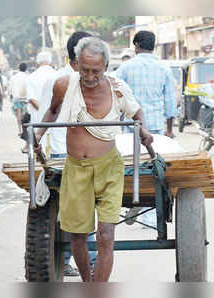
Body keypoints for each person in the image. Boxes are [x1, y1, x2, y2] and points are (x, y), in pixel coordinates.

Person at [35, 37, 153, 282]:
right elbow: (54, 111)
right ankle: (87, 284)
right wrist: (35, 135)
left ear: (106, 67)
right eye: (84, 69)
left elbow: (136, 111)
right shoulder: (64, 85)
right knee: (78, 235)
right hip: (76, 168)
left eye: (96, 71)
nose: (89, 76)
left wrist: (143, 129)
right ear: (76, 64)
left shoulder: (118, 88)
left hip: (109, 168)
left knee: (106, 234)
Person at [38, 31, 98, 277]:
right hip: (68, 155)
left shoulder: (100, 80)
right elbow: (47, 116)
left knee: (76, 209)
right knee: (79, 209)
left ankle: (71, 260)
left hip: (89, 155)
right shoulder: (60, 82)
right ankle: (88, 263)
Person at [116, 30, 178, 229]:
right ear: (154, 45)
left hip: (130, 126)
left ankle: (131, 200)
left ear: (136, 45)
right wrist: (169, 129)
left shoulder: (124, 68)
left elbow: (116, 97)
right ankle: (150, 214)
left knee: (130, 164)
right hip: (155, 128)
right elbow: (170, 103)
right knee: (154, 166)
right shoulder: (164, 69)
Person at [24, 51, 56, 153]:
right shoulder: (58, 75)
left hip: (38, 118)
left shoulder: (31, 77)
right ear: (51, 63)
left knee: (40, 147)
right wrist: (51, 112)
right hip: (56, 117)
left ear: (37, 63)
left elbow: (32, 99)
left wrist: (44, 112)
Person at [9, 63, 29, 145]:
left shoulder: (14, 77)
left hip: (17, 98)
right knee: (26, 115)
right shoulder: (28, 76)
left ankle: (20, 130)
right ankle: (25, 130)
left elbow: (10, 87)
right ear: (26, 68)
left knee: (18, 115)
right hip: (26, 99)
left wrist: (11, 95)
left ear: (19, 68)